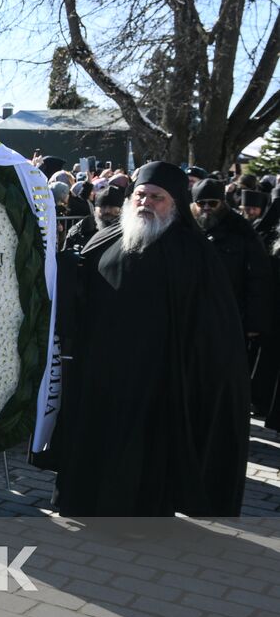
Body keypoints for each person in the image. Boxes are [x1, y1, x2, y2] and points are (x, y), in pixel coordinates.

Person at [52, 162, 251, 516]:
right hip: (101, 369)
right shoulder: (109, 237)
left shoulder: (195, 254)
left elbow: (213, 330)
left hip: (157, 378)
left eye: (156, 197)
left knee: (142, 455)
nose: (146, 202)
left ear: (174, 203)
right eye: (140, 194)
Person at [192, 177, 272, 342]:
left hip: (230, 316)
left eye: (212, 203)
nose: (206, 208)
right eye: (201, 203)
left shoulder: (242, 230)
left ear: (222, 203)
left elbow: (259, 277)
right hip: (194, 316)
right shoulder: (187, 228)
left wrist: (254, 322)